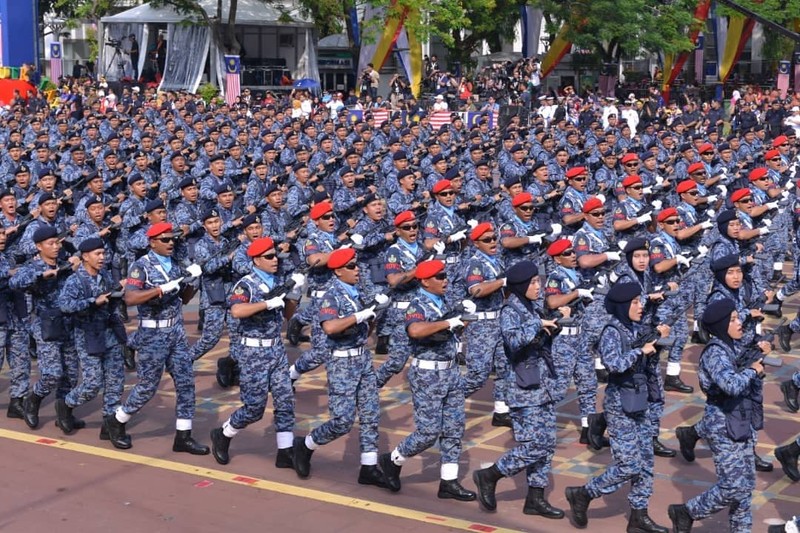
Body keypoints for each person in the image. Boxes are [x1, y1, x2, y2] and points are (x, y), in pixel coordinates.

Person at [565, 282, 670, 532]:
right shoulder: (611, 331)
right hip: (620, 403)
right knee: (628, 465)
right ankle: (584, 494)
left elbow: (645, 354)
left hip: (640, 398)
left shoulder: (635, 326)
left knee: (645, 462)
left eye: (639, 301)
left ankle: (638, 515)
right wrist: (640, 352)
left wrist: (656, 342)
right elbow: (613, 364)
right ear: (623, 305)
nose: (640, 306)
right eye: (635, 302)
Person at [105, 222, 209, 455]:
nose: (171, 243)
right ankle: (118, 420)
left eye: (172, 239)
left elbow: (183, 298)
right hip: (153, 334)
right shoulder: (140, 267)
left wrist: (192, 282)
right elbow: (130, 298)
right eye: (165, 240)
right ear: (152, 242)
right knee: (148, 386)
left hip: (176, 332)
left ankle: (183, 436)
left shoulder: (174, 264)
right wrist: (160, 289)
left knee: (185, 382)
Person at [472, 260, 566, 519]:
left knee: (547, 444)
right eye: (534, 283)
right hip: (522, 387)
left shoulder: (531, 307)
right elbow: (513, 342)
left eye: (539, 282)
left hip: (542, 383)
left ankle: (535, 498)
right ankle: (491, 474)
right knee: (535, 444)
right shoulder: (509, 311)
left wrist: (551, 326)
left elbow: (536, 340)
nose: (539, 287)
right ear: (522, 285)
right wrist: (538, 325)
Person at [292, 247, 389, 489]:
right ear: (337, 271)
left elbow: (368, 324)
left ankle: (368, 467)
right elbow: (330, 327)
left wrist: (374, 314)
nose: (357, 270)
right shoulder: (331, 295)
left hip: (362, 359)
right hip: (342, 362)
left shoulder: (356, 292)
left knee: (370, 415)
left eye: (357, 265)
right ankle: (306, 445)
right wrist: (360, 316)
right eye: (351, 266)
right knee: (342, 421)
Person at [380, 259, 477, 502]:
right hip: (427, 375)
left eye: (445, 276)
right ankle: (393, 459)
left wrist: (462, 319)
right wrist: (448, 322)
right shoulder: (417, 304)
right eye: (440, 277)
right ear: (425, 281)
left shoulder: (443, 301)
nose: (445, 280)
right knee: (428, 432)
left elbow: (451, 331)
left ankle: (449, 481)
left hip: (451, 372)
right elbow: (415, 330)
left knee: (454, 429)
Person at [668, 298, 767, 533]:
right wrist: (753, 370)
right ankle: (687, 511)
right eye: (733, 320)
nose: (739, 322)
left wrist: (758, 354)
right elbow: (730, 385)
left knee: (745, 487)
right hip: (722, 423)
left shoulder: (732, 345)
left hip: (741, 419)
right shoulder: (715, 353)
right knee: (732, 486)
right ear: (722, 325)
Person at [210, 237, 302, 466]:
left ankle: (285, 450)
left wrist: (294, 294)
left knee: (285, 401)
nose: (275, 261)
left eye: (276, 256)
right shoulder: (246, 284)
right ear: (256, 260)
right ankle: (224, 433)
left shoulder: (277, 281)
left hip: (276, 350)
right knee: (254, 408)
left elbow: (288, 315)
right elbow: (237, 311)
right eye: (269, 257)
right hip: (253, 353)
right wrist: (266, 304)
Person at [10, 226, 80, 430]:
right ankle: (33, 400)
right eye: (50, 243)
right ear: (38, 247)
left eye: (57, 242)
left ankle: (64, 414)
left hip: (68, 323)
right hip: (46, 326)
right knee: (52, 374)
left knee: (71, 375)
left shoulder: (64, 265)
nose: (56, 246)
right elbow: (16, 282)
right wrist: (40, 276)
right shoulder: (33, 267)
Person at [56, 237, 126, 440]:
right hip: (88, 334)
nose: (102, 257)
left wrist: (117, 292)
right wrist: (92, 302)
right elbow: (65, 305)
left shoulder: (104, 275)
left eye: (103, 253)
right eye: (98, 254)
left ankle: (109, 424)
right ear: (85, 257)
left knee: (115, 381)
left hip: (109, 332)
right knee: (92, 384)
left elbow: (111, 296)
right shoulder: (75, 280)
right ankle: (66, 403)